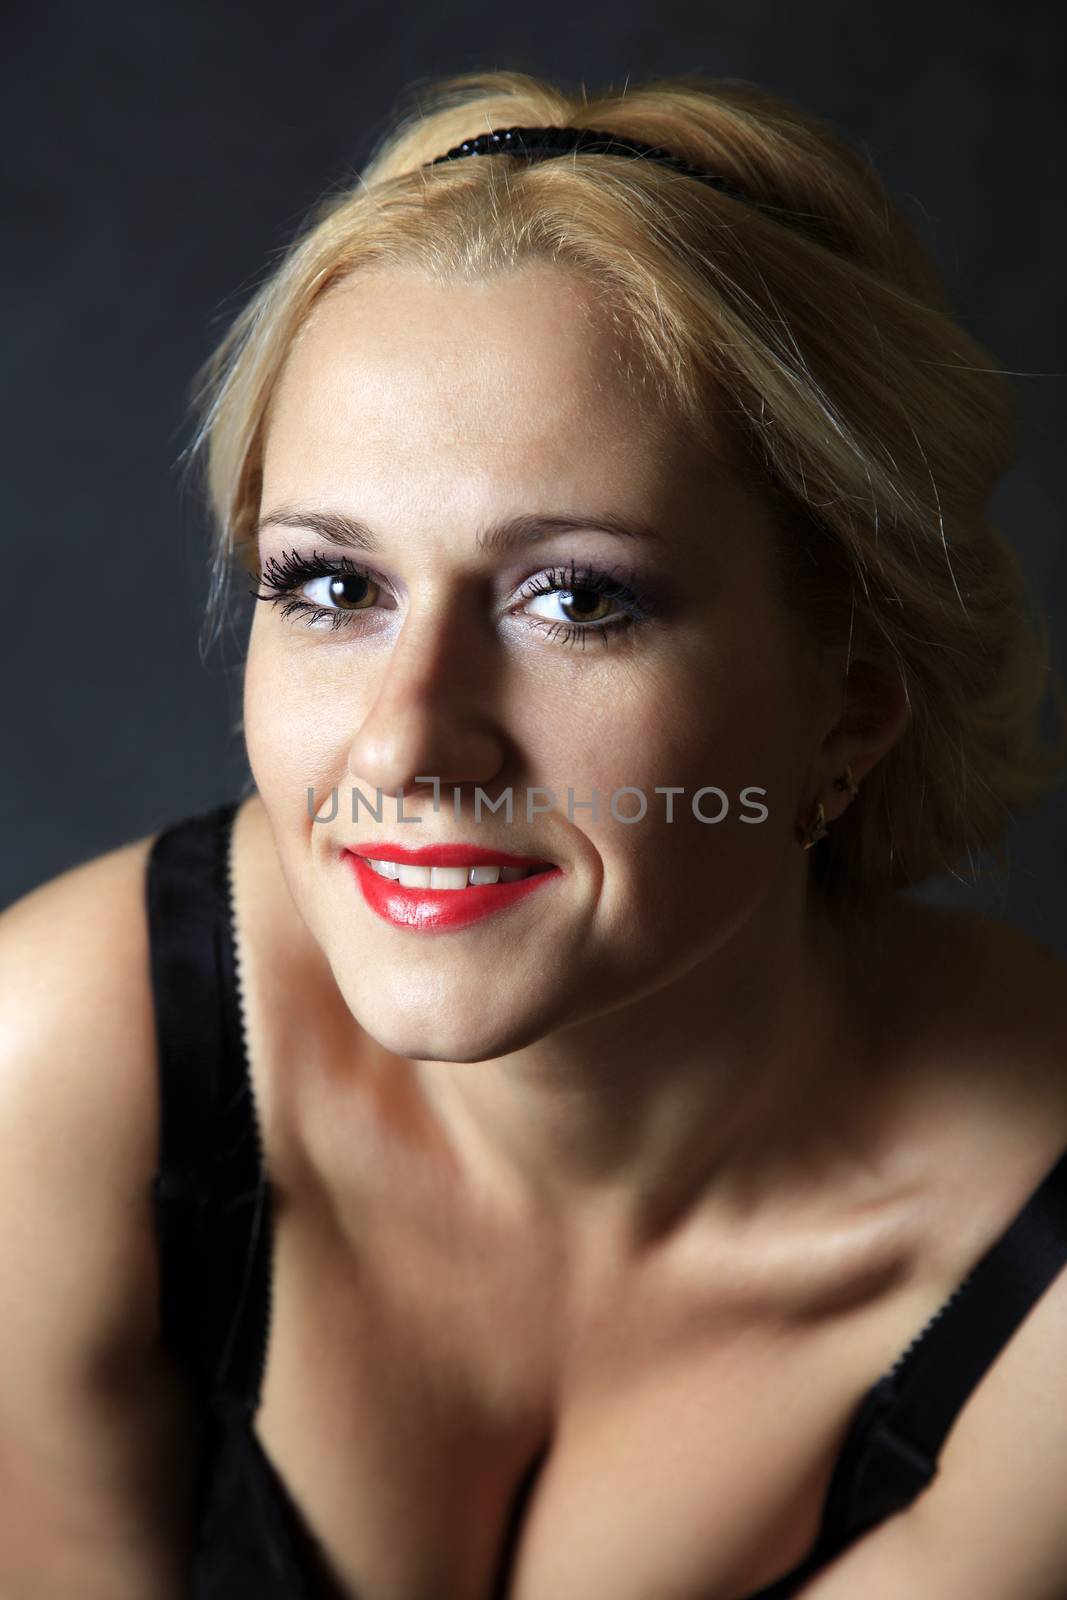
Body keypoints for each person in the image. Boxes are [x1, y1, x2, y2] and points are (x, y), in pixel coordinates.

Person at [3, 68, 1067, 1600]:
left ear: (850, 704)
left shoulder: (1031, 1296)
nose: (407, 742)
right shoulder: (65, 1074)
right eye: (329, 586)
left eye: (576, 598)